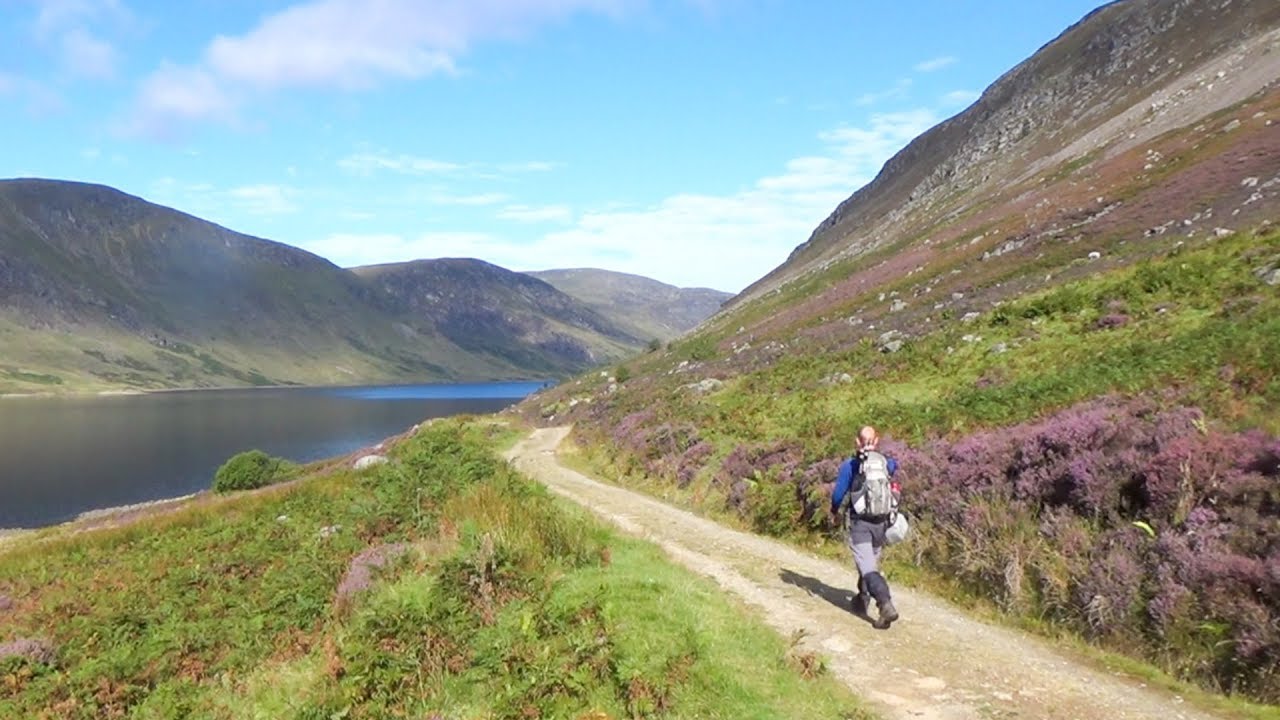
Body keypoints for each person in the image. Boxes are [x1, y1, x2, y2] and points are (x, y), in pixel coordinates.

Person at [829, 425, 901, 629]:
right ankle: (862, 599)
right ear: (876, 441)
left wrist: (834, 511)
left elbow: (838, 495)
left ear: (857, 442)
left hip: (860, 525)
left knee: (868, 569)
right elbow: (894, 467)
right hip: (881, 524)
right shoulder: (886, 463)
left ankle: (885, 604)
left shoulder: (850, 465)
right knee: (868, 564)